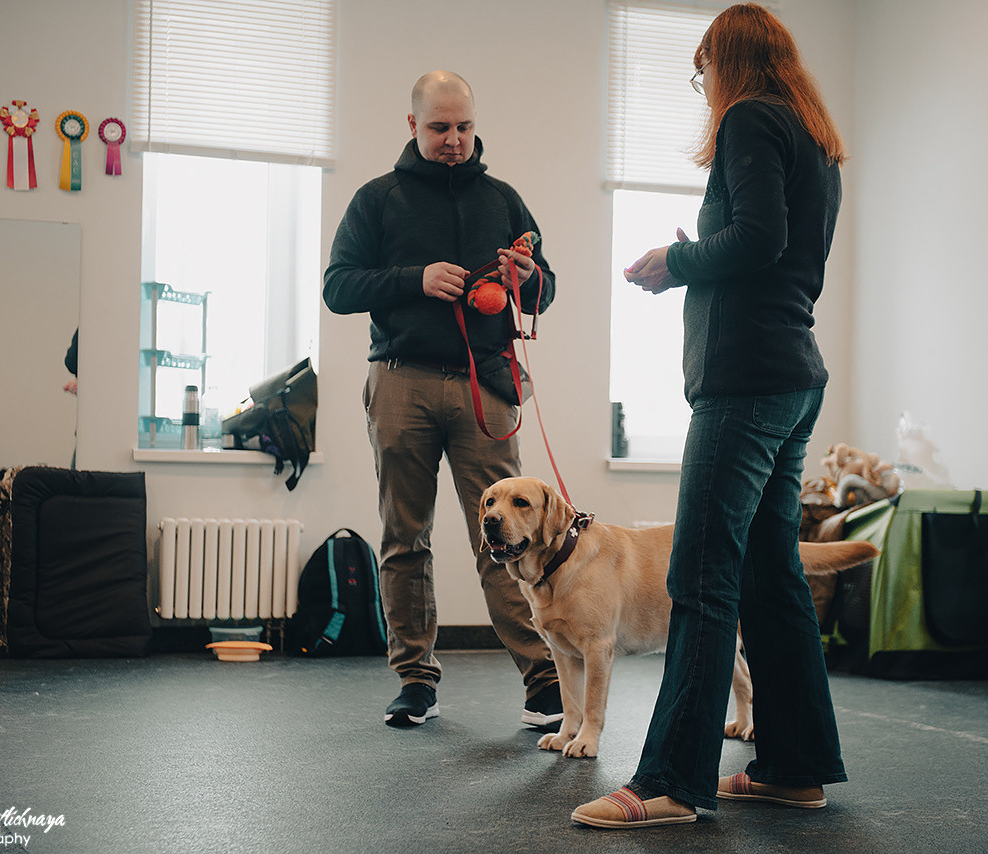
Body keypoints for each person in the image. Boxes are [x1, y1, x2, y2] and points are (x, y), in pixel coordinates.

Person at [572, 4, 848, 828]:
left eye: (703, 72)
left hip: (748, 383)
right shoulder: (814, 137)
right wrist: (711, 250)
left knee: (699, 574)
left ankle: (669, 783)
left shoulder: (751, 119)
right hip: (794, 376)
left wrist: (676, 260)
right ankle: (793, 768)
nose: (705, 90)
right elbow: (774, 247)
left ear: (725, 63)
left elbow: (759, 237)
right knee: (771, 577)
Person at [323, 70, 562, 729]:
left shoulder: (505, 200)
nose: (453, 140)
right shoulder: (377, 200)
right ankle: (415, 681)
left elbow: (546, 293)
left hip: (484, 384)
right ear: (412, 126)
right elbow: (338, 286)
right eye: (439, 128)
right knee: (405, 536)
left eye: (463, 127)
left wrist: (529, 277)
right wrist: (414, 279)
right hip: (400, 379)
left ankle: (543, 680)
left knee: (511, 536)